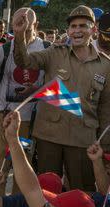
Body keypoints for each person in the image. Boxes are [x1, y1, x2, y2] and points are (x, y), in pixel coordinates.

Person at [11, 6, 110, 191]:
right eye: (73, 26)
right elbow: (24, 62)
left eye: (83, 26)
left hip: (83, 140)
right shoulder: (54, 53)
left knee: (82, 192)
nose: (77, 30)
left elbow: (105, 110)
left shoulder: (105, 65)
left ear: (94, 29)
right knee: (47, 191)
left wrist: (105, 148)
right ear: (68, 31)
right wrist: (19, 35)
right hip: (49, 136)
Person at [0, 7, 46, 179]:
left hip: (29, 123)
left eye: (26, 26)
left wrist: (35, 90)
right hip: (1, 120)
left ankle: (17, 204)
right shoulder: (4, 49)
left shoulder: (46, 49)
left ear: (36, 25)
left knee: (23, 172)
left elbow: (55, 85)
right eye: (18, 24)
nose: (22, 30)